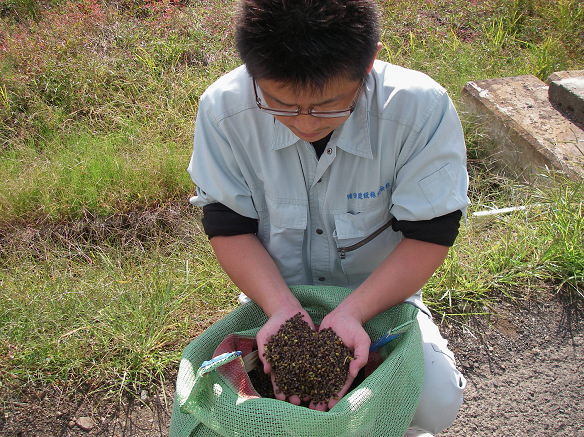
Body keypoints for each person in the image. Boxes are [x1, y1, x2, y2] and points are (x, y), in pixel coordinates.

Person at [188, 0, 468, 434]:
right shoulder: (224, 110)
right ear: (252, 72)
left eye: (328, 106)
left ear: (370, 61)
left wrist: (354, 312)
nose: (304, 123)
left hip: (380, 296)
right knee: (266, 418)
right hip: (273, 296)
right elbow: (229, 226)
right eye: (279, 103)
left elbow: (431, 233)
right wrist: (281, 309)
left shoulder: (419, 110)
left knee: (435, 404)